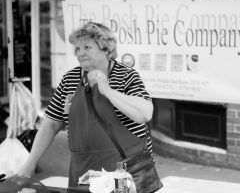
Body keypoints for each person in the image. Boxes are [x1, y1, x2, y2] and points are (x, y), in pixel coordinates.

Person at [18, 22, 154, 188]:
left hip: (124, 174)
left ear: (106, 49)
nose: (80, 53)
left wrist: (107, 90)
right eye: (77, 49)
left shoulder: (126, 76)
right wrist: (30, 163)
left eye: (87, 47)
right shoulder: (70, 79)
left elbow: (145, 114)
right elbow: (51, 124)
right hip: (84, 173)